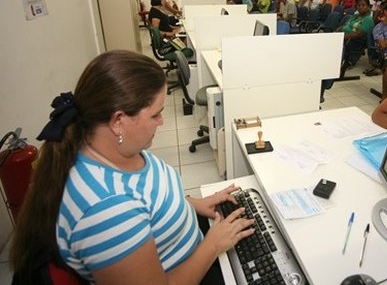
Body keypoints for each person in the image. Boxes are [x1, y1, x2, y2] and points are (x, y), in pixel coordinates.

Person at [10, 50, 255, 284]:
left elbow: (146, 195)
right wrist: (213, 245)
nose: (162, 121)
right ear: (118, 121)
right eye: (155, 114)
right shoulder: (107, 211)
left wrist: (190, 203)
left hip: (195, 245)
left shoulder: (104, 149)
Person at [338, 0, 374, 67]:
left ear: (368, 7)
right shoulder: (355, 16)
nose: (360, 7)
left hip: (354, 40)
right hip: (344, 36)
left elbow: (358, 34)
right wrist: (336, 32)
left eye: (363, 5)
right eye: (358, 5)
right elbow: (345, 25)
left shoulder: (368, 19)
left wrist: (342, 37)